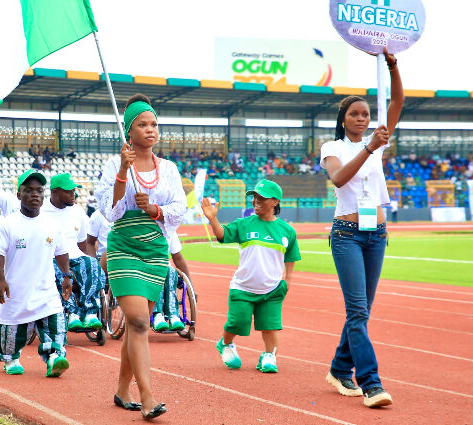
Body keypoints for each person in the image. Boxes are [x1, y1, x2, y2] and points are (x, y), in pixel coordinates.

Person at [319, 47, 404, 408]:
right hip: (347, 235)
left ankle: (339, 368)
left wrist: (393, 65)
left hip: (377, 235)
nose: (361, 118)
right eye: (355, 114)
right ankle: (370, 383)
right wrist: (369, 148)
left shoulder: (379, 140)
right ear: (344, 119)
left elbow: (398, 99)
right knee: (357, 312)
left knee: (362, 312)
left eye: (366, 114)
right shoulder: (332, 146)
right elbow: (339, 178)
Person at [95, 94, 185, 419]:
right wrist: (122, 170)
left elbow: (180, 209)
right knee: (138, 322)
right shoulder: (113, 165)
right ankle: (147, 398)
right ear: (128, 132)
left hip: (155, 251)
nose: (150, 130)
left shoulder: (170, 169)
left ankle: (122, 390)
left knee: (136, 327)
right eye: (142, 125)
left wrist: (155, 209)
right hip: (124, 248)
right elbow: (110, 211)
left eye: (154, 124)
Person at [201, 179, 300, 374]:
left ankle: (269, 355)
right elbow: (222, 235)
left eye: (261, 198)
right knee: (237, 322)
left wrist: (287, 279)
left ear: (274, 202)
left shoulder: (287, 230)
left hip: (271, 289)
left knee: (270, 327)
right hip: (243, 287)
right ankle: (226, 344)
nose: (255, 201)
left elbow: (291, 255)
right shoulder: (243, 224)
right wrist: (213, 219)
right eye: (254, 197)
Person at [0, 169, 72, 377]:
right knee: (10, 332)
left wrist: (66, 275)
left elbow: (61, 252)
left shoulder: (52, 224)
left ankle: (54, 357)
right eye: (28, 190)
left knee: (55, 325)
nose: (35, 194)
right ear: (19, 195)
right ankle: (11, 359)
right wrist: (0, 280)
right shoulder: (6, 224)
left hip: (46, 290)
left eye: (39, 190)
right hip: (15, 290)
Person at [43, 173, 104, 331]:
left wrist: (80, 268)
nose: (73, 194)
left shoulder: (78, 212)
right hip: (51, 258)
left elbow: (82, 245)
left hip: (75, 256)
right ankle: (72, 312)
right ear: (55, 192)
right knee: (55, 271)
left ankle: (90, 312)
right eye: (69, 191)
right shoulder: (41, 212)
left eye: (74, 191)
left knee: (91, 263)